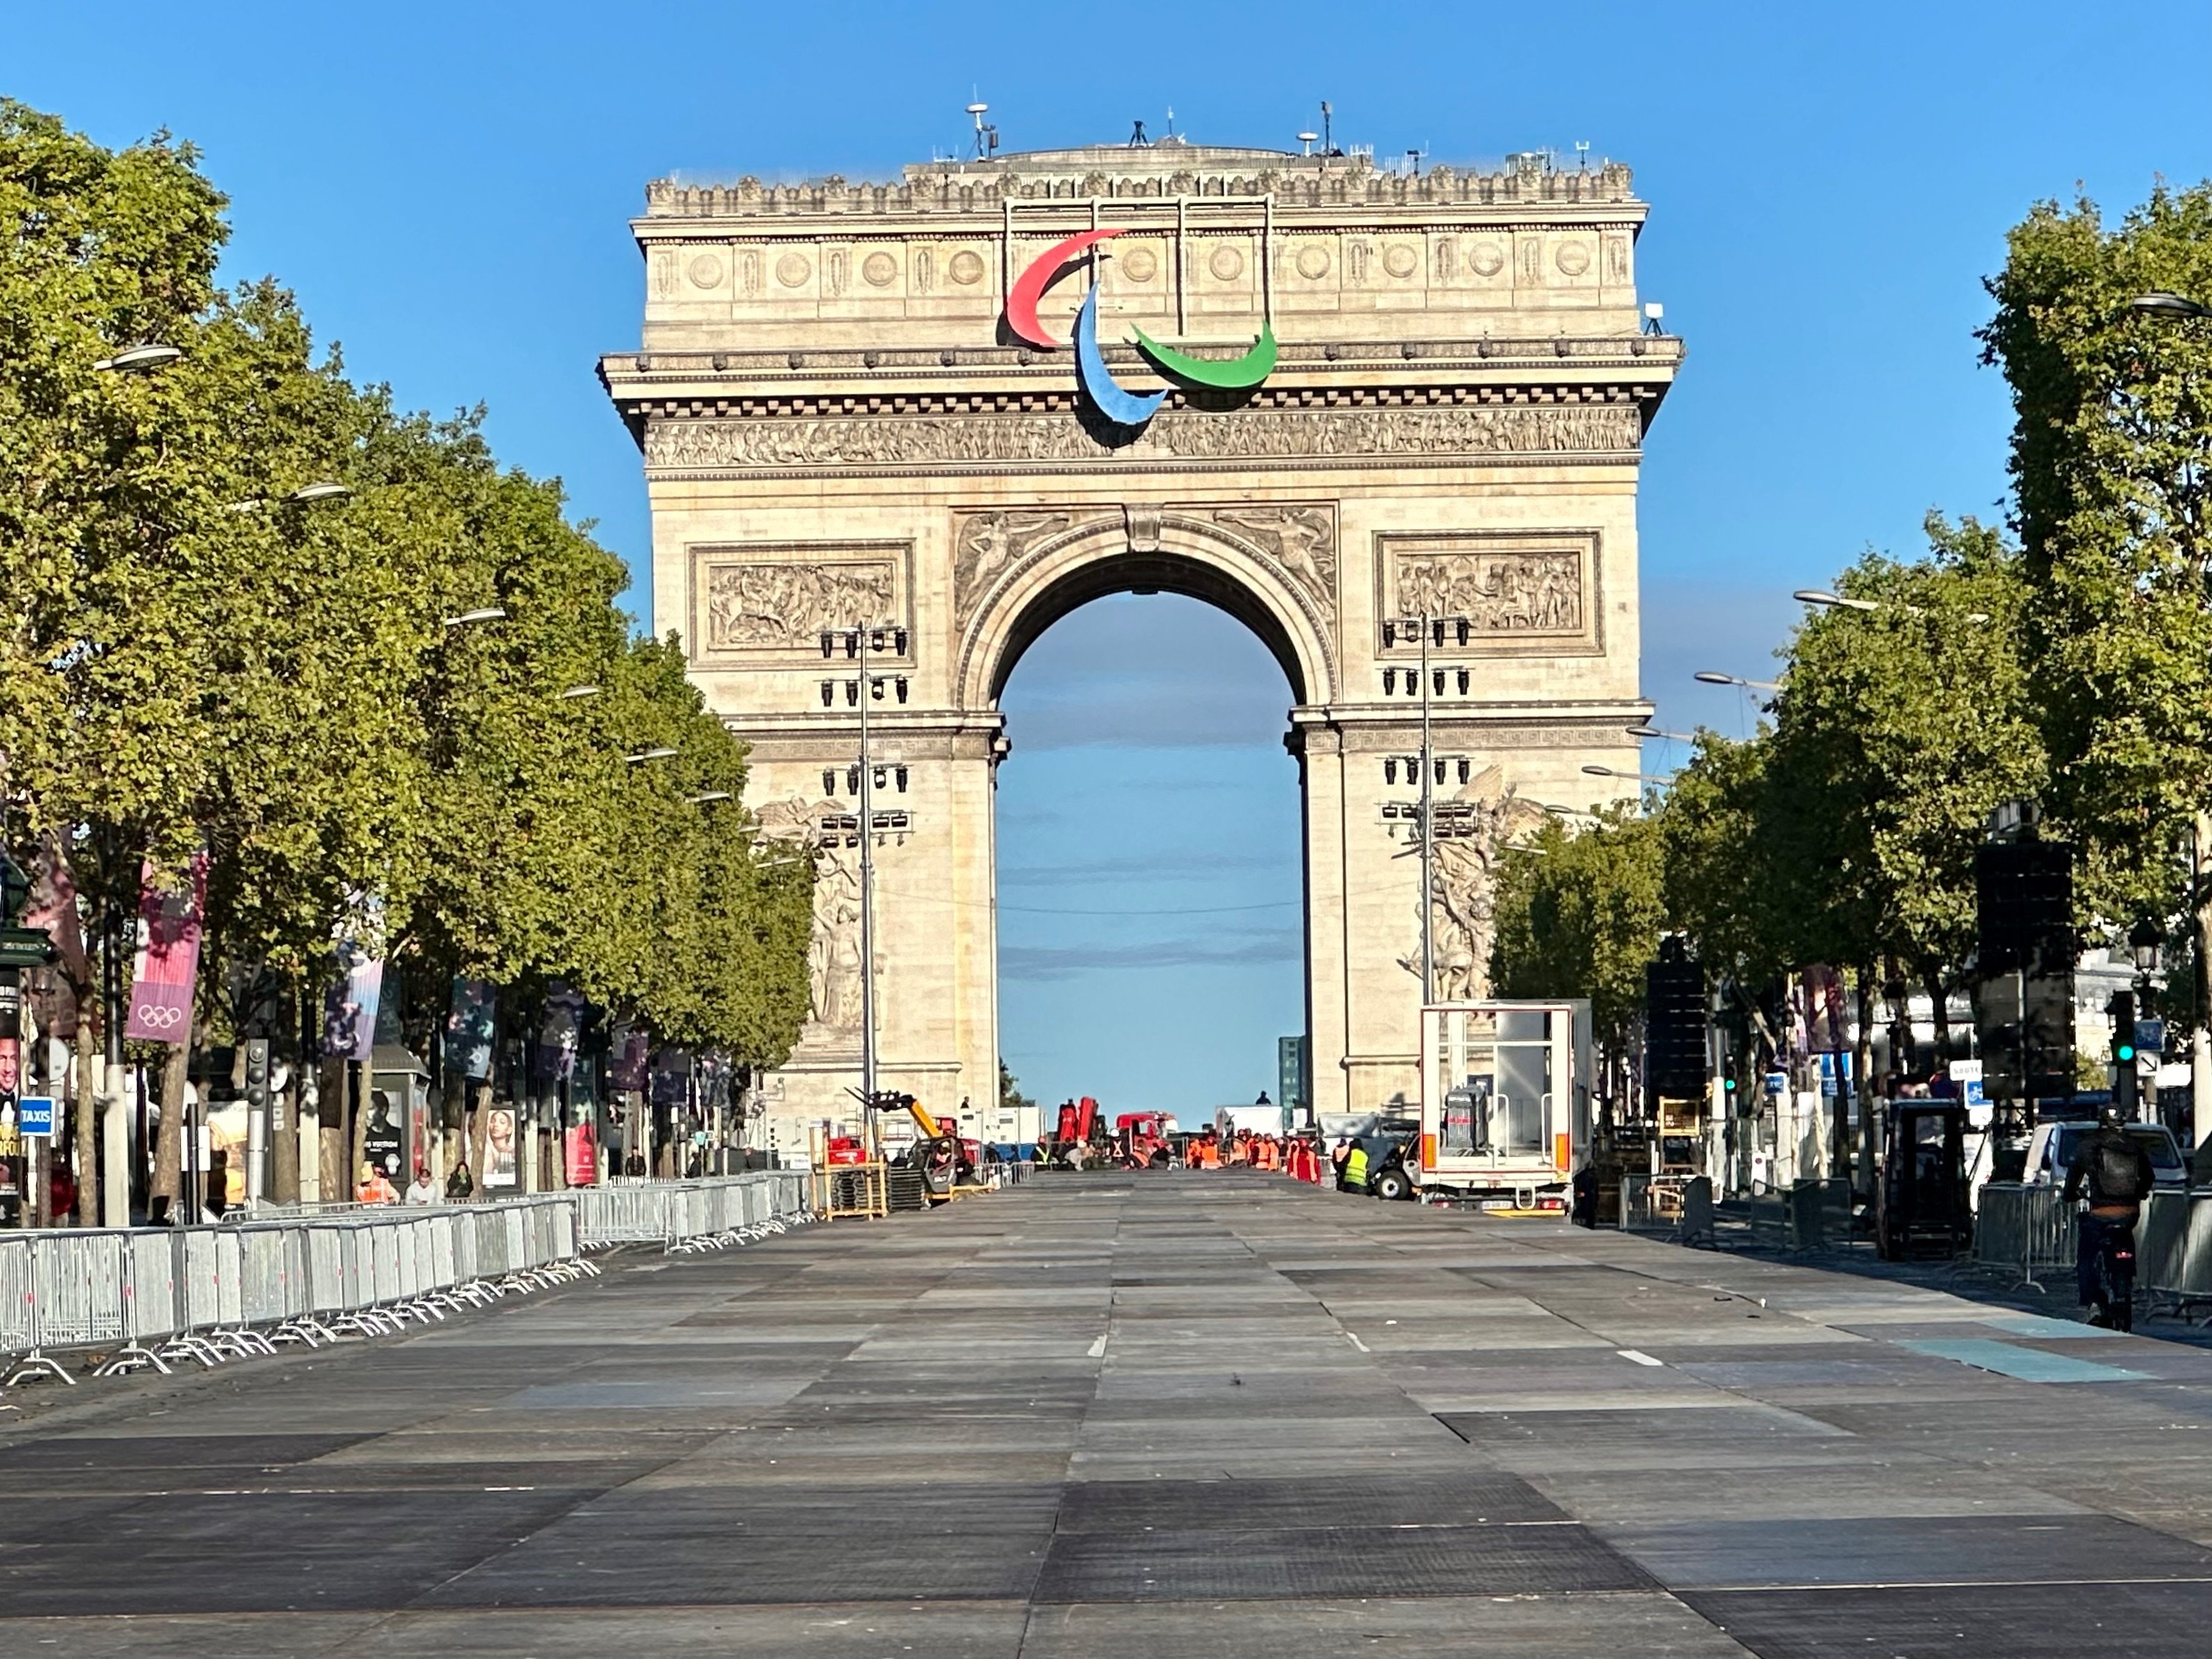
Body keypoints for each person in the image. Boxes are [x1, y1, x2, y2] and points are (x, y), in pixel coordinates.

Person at [2063, 1108, 2155, 1325]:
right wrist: (2138, 1195)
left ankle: (2094, 1301)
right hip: (2129, 1213)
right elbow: (2149, 1177)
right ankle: (2126, 1280)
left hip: (2100, 1213)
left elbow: (2073, 1178)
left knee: (2087, 1259)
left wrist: (2071, 1195)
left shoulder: (2090, 1146)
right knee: (2124, 1245)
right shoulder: (2134, 1146)